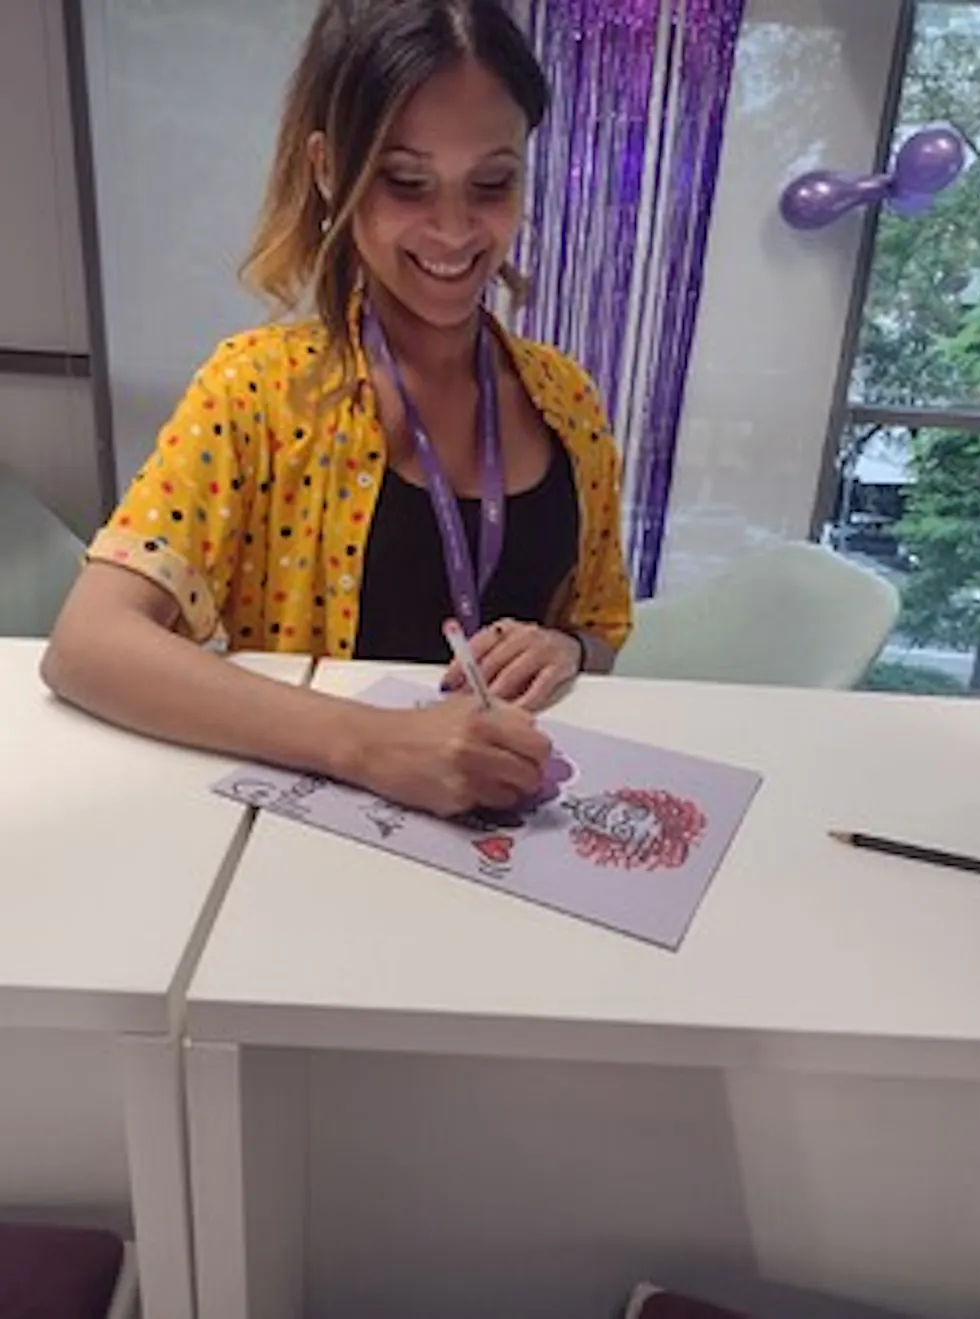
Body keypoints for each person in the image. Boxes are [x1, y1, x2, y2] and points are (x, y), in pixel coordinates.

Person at [42, 0, 632, 817]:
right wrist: (372, 744)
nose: (454, 230)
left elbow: (601, 626)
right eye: (405, 181)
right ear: (328, 169)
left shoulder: (568, 401)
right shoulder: (260, 392)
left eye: (492, 182)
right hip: (305, 845)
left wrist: (566, 648)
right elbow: (88, 644)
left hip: (516, 839)